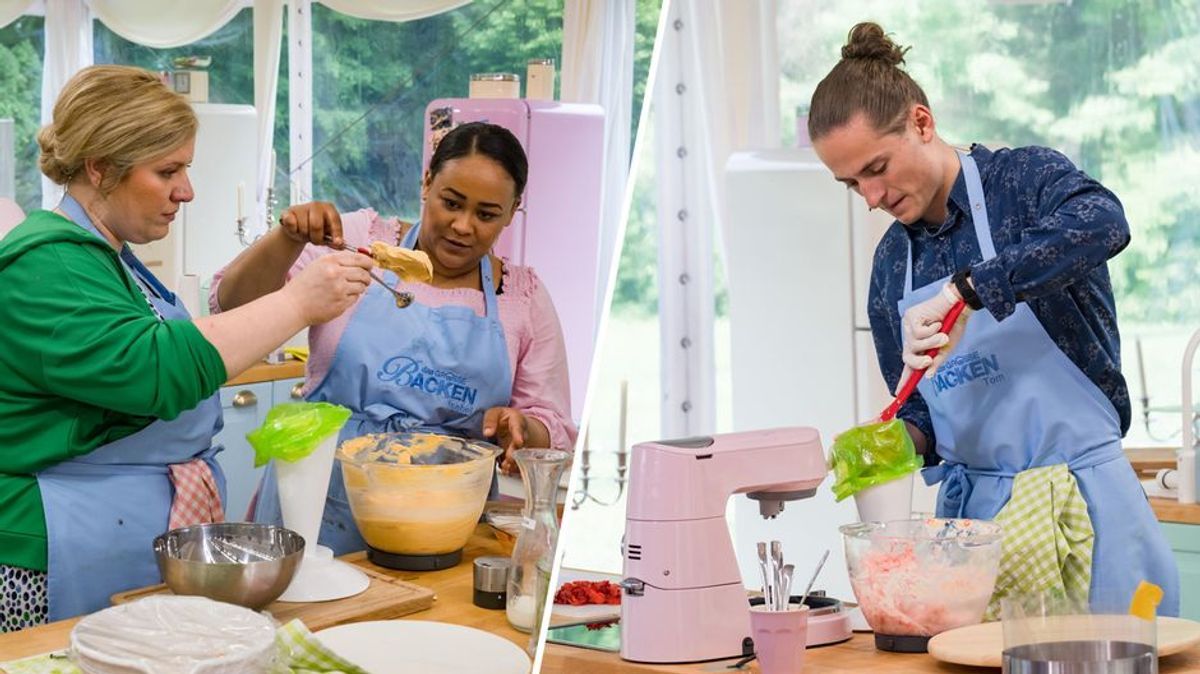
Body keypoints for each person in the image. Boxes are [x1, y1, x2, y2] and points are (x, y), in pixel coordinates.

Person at [809, 23, 1179, 614]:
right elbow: (923, 412)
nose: (872, 196)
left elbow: (1104, 221)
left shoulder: (1023, 183)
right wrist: (891, 442)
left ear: (921, 123)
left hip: (1087, 506)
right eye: (852, 184)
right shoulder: (890, 267)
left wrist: (970, 289)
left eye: (876, 167)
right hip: (971, 534)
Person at [0, 65, 373, 630]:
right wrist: (299, 303)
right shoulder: (49, 261)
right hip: (53, 549)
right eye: (167, 170)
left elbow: (193, 332)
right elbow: (155, 368)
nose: (186, 191)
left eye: (186, 168)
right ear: (100, 168)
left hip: (109, 532)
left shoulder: (108, 256)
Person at [212, 122, 577, 555]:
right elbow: (232, 304)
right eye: (451, 203)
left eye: (486, 214)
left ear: (513, 211)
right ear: (426, 183)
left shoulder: (523, 298)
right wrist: (286, 240)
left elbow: (551, 426)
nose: (463, 226)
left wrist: (522, 428)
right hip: (321, 496)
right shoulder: (359, 242)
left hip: (446, 516)